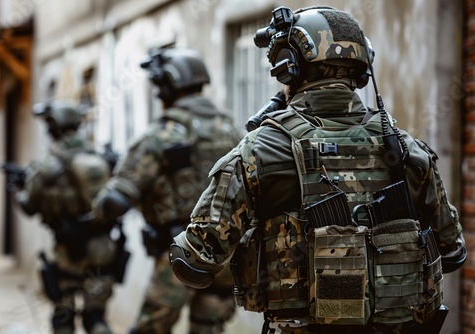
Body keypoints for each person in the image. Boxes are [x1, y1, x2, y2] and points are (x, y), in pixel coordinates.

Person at [169, 6, 467, 334]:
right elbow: (452, 253)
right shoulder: (408, 149)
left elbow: (193, 261)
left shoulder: (261, 149)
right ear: (362, 69)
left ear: (289, 68)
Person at [93, 46, 242, 334]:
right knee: (207, 328)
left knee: (150, 330)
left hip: (181, 259)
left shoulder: (160, 135)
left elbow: (116, 201)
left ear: (169, 86)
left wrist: (97, 208)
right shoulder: (233, 130)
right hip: (228, 259)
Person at [15, 100, 119, 334]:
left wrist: (17, 190)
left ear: (55, 127)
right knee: (96, 316)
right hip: (103, 246)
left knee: (64, 316)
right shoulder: (99, 157)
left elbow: (29, 207)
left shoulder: (46, 164)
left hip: (67, 248)